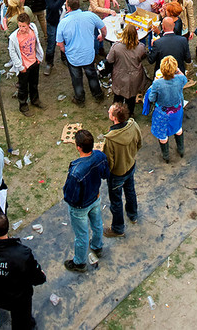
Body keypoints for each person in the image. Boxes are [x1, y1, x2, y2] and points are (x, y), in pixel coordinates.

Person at [62, 128, 110, 273]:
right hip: (95, 198)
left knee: (82, 235)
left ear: (78, 147)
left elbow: (70, 196)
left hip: (80, 207)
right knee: (97, 224)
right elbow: (105, 174)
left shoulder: (76, 171)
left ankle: (80, 263)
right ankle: (97, 246)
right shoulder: (100, 156)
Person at [102, 101, 142, 237]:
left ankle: (118, 228)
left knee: (116, 201)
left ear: (114, 118)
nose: (108, 112)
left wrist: (108, 173)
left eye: (110, 111)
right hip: (130, 166)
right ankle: (133, 215)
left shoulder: (110, 140)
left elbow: (109, 162)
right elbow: (139, 143)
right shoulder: (134, 125)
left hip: (117, 174)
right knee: (130, 191)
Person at [57, 0, 107, 105]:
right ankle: (98, 95)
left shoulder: (63, 23)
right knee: (92, 75)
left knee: (76, 79)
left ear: (68, 8)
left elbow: (59, 43)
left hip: (73, 56)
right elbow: (103, 28)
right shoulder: (90, 16)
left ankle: (80, 99)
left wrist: (64, 50)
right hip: (88, 54)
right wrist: (102, 37)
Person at [145, 54, 188, 161]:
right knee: (178, 128)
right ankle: (181, 150)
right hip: (177, 110)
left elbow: (151, 98)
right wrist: (177, 70)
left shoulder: (157, 83)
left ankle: (166, 156)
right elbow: (185, 79)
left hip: (162, 113)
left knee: (162, 135)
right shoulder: (180, 79)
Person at [107, 22, 150, 117]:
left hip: (120, 76)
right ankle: (130, 114)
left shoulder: (116, 47)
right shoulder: (141, 47)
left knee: (118, 96)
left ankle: (116, 115)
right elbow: (143, 57)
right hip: (135, 76)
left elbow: (109, 60)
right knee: (131, 97)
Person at [8, 11, 46, 114]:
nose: (21, 28)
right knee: (23, 87)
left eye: (24, 26)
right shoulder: (13, 37)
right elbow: (12, 52)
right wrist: (20, 66)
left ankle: (35, 100)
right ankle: (23, 105)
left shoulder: (33, 29)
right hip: (24, 66)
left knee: (34, 84)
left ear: (28, 25)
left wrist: (38, 57)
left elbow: (36, 43)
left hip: (34, 62)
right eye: (19, 26)